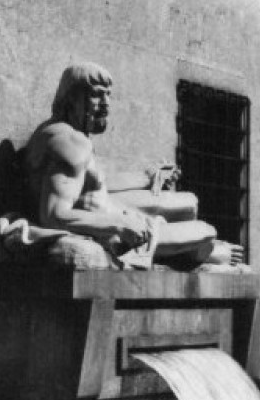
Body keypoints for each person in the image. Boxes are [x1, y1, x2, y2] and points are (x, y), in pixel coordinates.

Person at [21, 64, 243, 268]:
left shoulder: (62, 133)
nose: (106, 104)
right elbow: (52, 215)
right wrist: (119, 224)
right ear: (72, 99)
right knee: (206, 231)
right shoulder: (71, 144)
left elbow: (95, 183)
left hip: (112, 209)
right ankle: (202, 254)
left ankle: (182, 245)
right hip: (118, 231)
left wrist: (147, 176)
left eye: (108, 95)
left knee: (189, 202)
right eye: (96, 95)